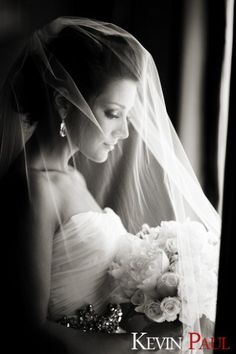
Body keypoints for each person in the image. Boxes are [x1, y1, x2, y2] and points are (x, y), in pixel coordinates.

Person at [0, 7, 220, 354]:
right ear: (64, 102)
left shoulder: (70, 176)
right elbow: (30, 330)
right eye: (113, 113)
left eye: (127, 115)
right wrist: (143, 345)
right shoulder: (35, 189)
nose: (124, 131)